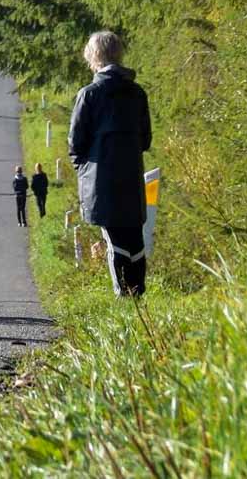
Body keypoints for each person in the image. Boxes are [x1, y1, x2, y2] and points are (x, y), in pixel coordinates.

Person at [70, 30, 152, 297]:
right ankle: (138, 296)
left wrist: (85, 170)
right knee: (134, 239)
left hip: (100, 181)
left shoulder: (89, 95)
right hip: (131, 177)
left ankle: (125, 300)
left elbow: (75, 144)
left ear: (94, 57)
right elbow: (145, 139)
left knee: (114, 240)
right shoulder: (137, 93)